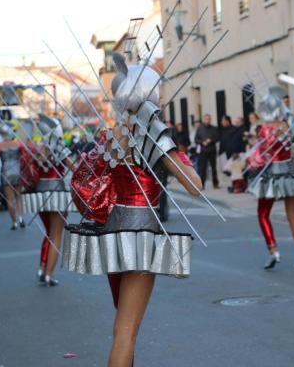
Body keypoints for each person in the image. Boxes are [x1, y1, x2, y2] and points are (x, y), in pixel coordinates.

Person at [62, 57, 202, 367]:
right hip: (142, 235)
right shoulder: (156, 137)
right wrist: (176, 153)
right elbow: (195, 186)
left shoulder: (112, 136)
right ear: (150, 95)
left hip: (111, 232)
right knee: (126, 332)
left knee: (121, 326)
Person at [247, 86, 294, 270]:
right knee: (293, 215)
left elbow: (260, 156)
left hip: (271, 175)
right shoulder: (288, 126)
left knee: (263, 213)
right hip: (289, 172)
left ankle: (273, 250)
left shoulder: (264, 129)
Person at [21, 115, 76, 286]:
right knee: (56, 235)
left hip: (39, 195)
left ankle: (42, 268)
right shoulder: (59, 147)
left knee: (48, 233)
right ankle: (48, 275)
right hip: (57, 194)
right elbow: (74, 168)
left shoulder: (40, 148)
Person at [194, 114, 219, 189]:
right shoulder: (200, 129)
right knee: (203, 169)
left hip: (212, 151)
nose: (207, 120)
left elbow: (218, 138)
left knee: (214, 168)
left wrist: (211, 140)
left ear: (210, 120)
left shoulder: (214, 128)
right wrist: (202, 142)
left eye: (209, 119)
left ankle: (215, 183)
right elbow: (196, 139)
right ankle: (202, 185)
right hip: (203, 151)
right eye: (206, 119)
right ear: (204, 120)